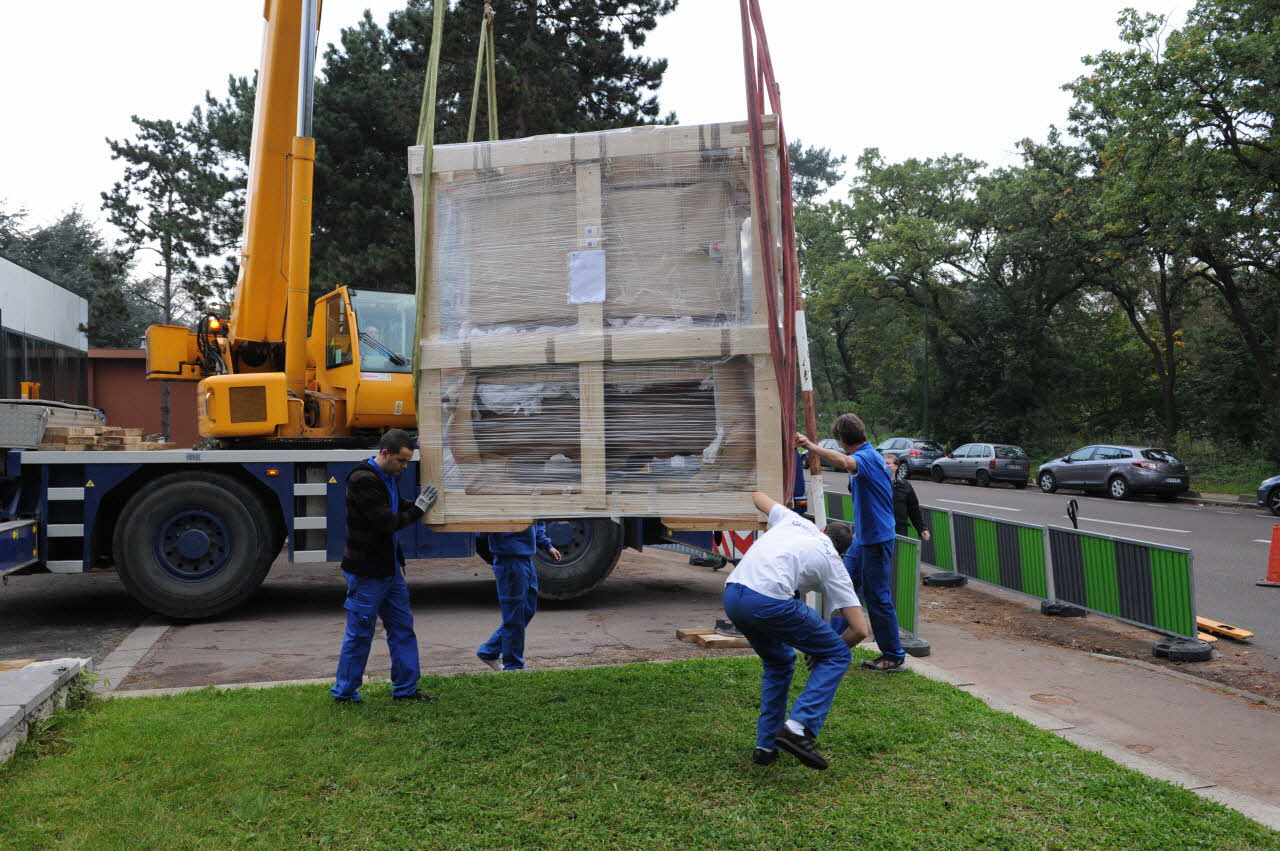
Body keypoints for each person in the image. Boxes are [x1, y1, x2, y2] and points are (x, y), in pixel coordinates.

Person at [722, 490, 869, 771]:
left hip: (733, 594)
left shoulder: (795, 520)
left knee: (778, 661)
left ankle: (766, 746)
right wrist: (825, 652)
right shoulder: (834, 562)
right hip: (768, 600)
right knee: (838, 655)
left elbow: (757, 496)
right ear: (843, 552)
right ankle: (798, 727)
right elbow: (860, 629)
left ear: (823, 529)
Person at [332, 429, 439, 703]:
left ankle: (405, 690)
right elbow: (386, 522)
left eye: (407, 461)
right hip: (367, 572)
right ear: (385, 454)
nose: (404, 467)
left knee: (402, 628)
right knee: (360, 633)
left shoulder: (387, 476)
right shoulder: (362, 479)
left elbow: (394, 505)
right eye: (401, 461)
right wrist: (418, 510)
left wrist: (417, 503)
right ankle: (345, 693)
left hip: (389, 569)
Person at [797, 413, 905, 673]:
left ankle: (893, 656)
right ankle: (829, 644)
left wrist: (811, 447)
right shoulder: (871, 455)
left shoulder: (866, 458)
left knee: (877, 597)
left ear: (842, 439)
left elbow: (845, 461)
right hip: (864, 538)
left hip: (877, 540)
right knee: (842, 587)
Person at [476, 523, 562, 671]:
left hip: (526, 558)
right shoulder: (499, 501)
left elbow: (537, 521)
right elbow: (481, 533)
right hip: (509, 560)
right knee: (514, 616)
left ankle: (490, 651)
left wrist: (547, 545)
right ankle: (513, 666)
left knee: (527, 610)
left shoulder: (530, 500)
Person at [884, 453, 932, 541]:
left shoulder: (905, 485)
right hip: (880, 529)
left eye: (888, 463)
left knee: (898, 554)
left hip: (899, 529)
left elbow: (913, 509)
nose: (885, 466)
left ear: (896, 466)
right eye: (883, 464)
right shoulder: (875, 484)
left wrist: (922, 528)